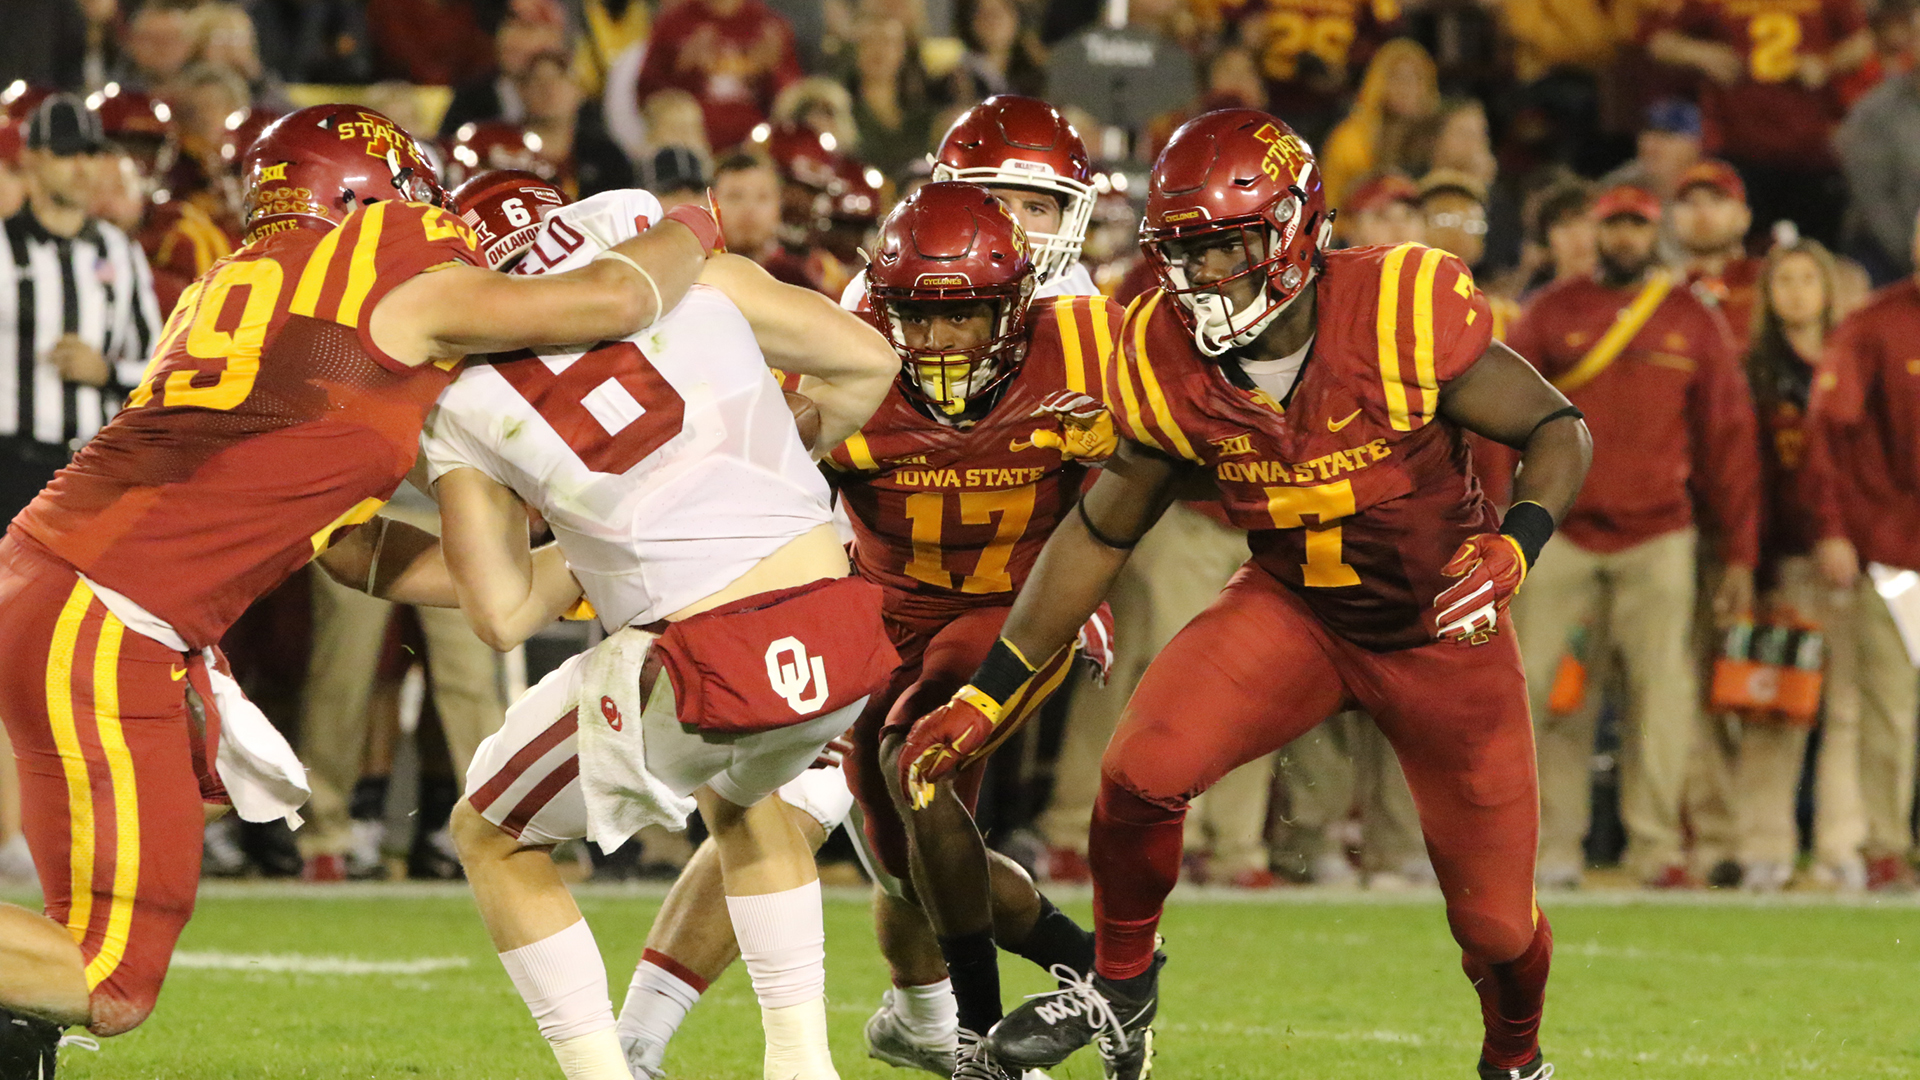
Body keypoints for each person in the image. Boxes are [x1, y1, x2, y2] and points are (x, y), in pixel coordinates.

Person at [0, 102, 721, 1067]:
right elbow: (615, 298)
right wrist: (697, 221)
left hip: (68, 588)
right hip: (104, 612)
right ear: (374, 194)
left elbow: (347, 548)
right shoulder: (385, 256)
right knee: (109, 977)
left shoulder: (234, 283)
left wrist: (573, 570)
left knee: (83, 944)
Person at [911, 108, 1591, 1080]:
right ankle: (1119, 988)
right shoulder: (1160, 347)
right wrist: (987, 696)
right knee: (1140, 773)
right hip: (1295, 610)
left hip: (1442, 628)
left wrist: (1517, 545)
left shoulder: (1396, 304)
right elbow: (1101, 530)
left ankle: (1515, 1060)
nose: (1204, 275)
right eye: (1185, 252)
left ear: (1295, 228)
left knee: (1495, 926)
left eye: (1227, 247)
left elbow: (1559, 428)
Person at [618, 181, 1118, 1080]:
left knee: (902, 767)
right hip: (875, 616)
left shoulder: (1086, 343)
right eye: (916, 317)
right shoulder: (847, 359)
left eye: (961, 315)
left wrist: (1093, 597)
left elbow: (1145, 481)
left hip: (1006, 610)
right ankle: (1084, 978)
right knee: (900, 862)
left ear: (1014, 301)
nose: (937, 339)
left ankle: (974, 1031)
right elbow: (761, 490)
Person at [405, 174, 900, 1080]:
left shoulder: (460, 393)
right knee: (741, 799)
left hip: (706, 660)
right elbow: (870, 362)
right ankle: (800, 1064)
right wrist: (763, 464)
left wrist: (360, 550)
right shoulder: (687, 270)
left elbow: (502, 614)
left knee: (492, 834)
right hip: (843, 632)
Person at [1504, 184, 1761, 890]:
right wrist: (1501, 522)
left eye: (1636, 226)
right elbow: (1498, 416)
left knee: (1662, 699)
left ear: (1655, 233)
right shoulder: (1551, 311)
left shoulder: (1691, 318)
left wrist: (1739, 552)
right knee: (1540, 696)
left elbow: (1728, 440)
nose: (1624, 238)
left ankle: (1655, 848)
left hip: (1658, 535)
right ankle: (1548, 848)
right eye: (1614, 225)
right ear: (1597, 231)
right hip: (1557, 532)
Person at [1690, 240, 1855, 892]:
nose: (1796, 292)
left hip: (1853, 559)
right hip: (1783, 557)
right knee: (1774, 708)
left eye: (1808, 278)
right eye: (1783, 280)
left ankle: (1844, 847)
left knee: (1852, 710)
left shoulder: (1854, 359)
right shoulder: (1751, 372)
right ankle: (1765, 846)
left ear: (1829, 289)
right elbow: (1742, 474)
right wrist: (1747, 560)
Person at [1803, 207, 1920, 891]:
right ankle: (1886, 850)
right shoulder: (1874, 325)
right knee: (1890, 707)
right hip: (1899, 553)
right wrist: (1835, 528)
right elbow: (1828, 432)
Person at [1647, 0, 1870, 246]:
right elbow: (1661, 42)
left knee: (1816, 250)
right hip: (1738, 143)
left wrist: (1826, 63)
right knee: (1738, 247)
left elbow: (1862, 42)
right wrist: (1703, 54)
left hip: (1809, 146)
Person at [635, 0, 804, 152]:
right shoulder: (675, 22)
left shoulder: (769, 24)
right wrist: (685, 70)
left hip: (756, 137)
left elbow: (795, 97)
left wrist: (771, 71)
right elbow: (646, 92)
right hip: (692, 136)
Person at [1320, 38, 1439, 211]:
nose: (1407, 88)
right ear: (1377, 82)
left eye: (1417, 78)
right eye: (1398, 78)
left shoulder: (1441, 138)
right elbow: (1330, 206)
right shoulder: (1350, 140)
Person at [1671, 159, 1762, 353]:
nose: (1703, 212)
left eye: (1717, 200)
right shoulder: (1660, 292)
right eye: (1689, 202)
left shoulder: (1770, 281)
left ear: (1744, 216)